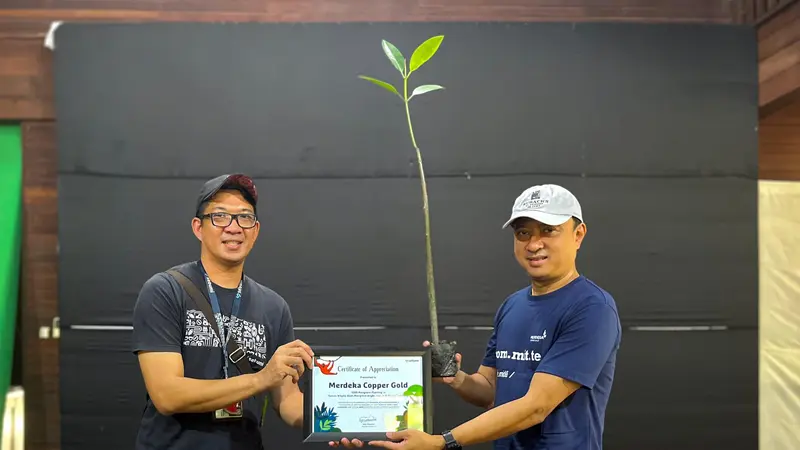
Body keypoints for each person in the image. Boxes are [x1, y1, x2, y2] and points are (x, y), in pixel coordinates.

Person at [334, 184, 621, 450]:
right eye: (523, 233)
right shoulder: (512, 306)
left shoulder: (592, 308)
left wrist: (441, 442)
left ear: (578, 234)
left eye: (548, 230)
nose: (533, 244)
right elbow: (489, 390)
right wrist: (455, 378)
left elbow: (537, 406)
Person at [131, 173, 317, 450]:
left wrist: (339, 421)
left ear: (255, 230)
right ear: (198, 227)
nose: (234, 227)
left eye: (245, 217)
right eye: (220, 216)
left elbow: (287, 400)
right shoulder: (165, 290)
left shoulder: (274, 307)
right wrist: (259, 379)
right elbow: (167, 394)